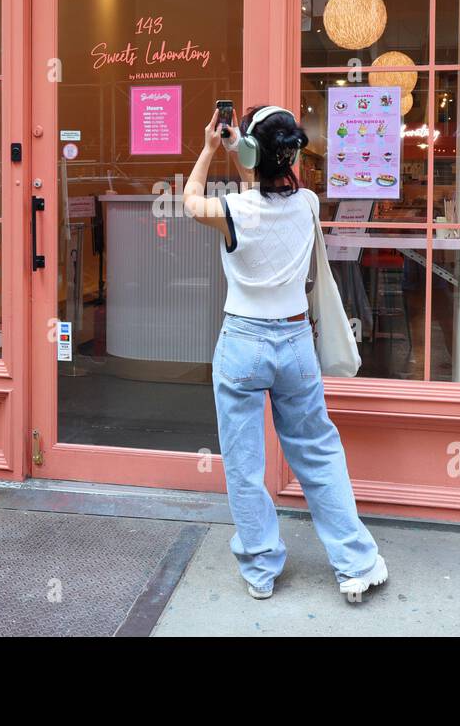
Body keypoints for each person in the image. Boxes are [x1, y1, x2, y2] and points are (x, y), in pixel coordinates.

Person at [183, 104, 387, 602]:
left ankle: (260, 571)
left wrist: (212, 147)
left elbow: (190, 199)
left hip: (243, 344)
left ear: (251, 152)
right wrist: (242, 149)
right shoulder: (310, 204)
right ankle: (356, 564)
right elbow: (261, 180)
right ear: (294, 155)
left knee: (244, 462)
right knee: (318, 453)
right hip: (295, 343)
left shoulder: (233, 210)